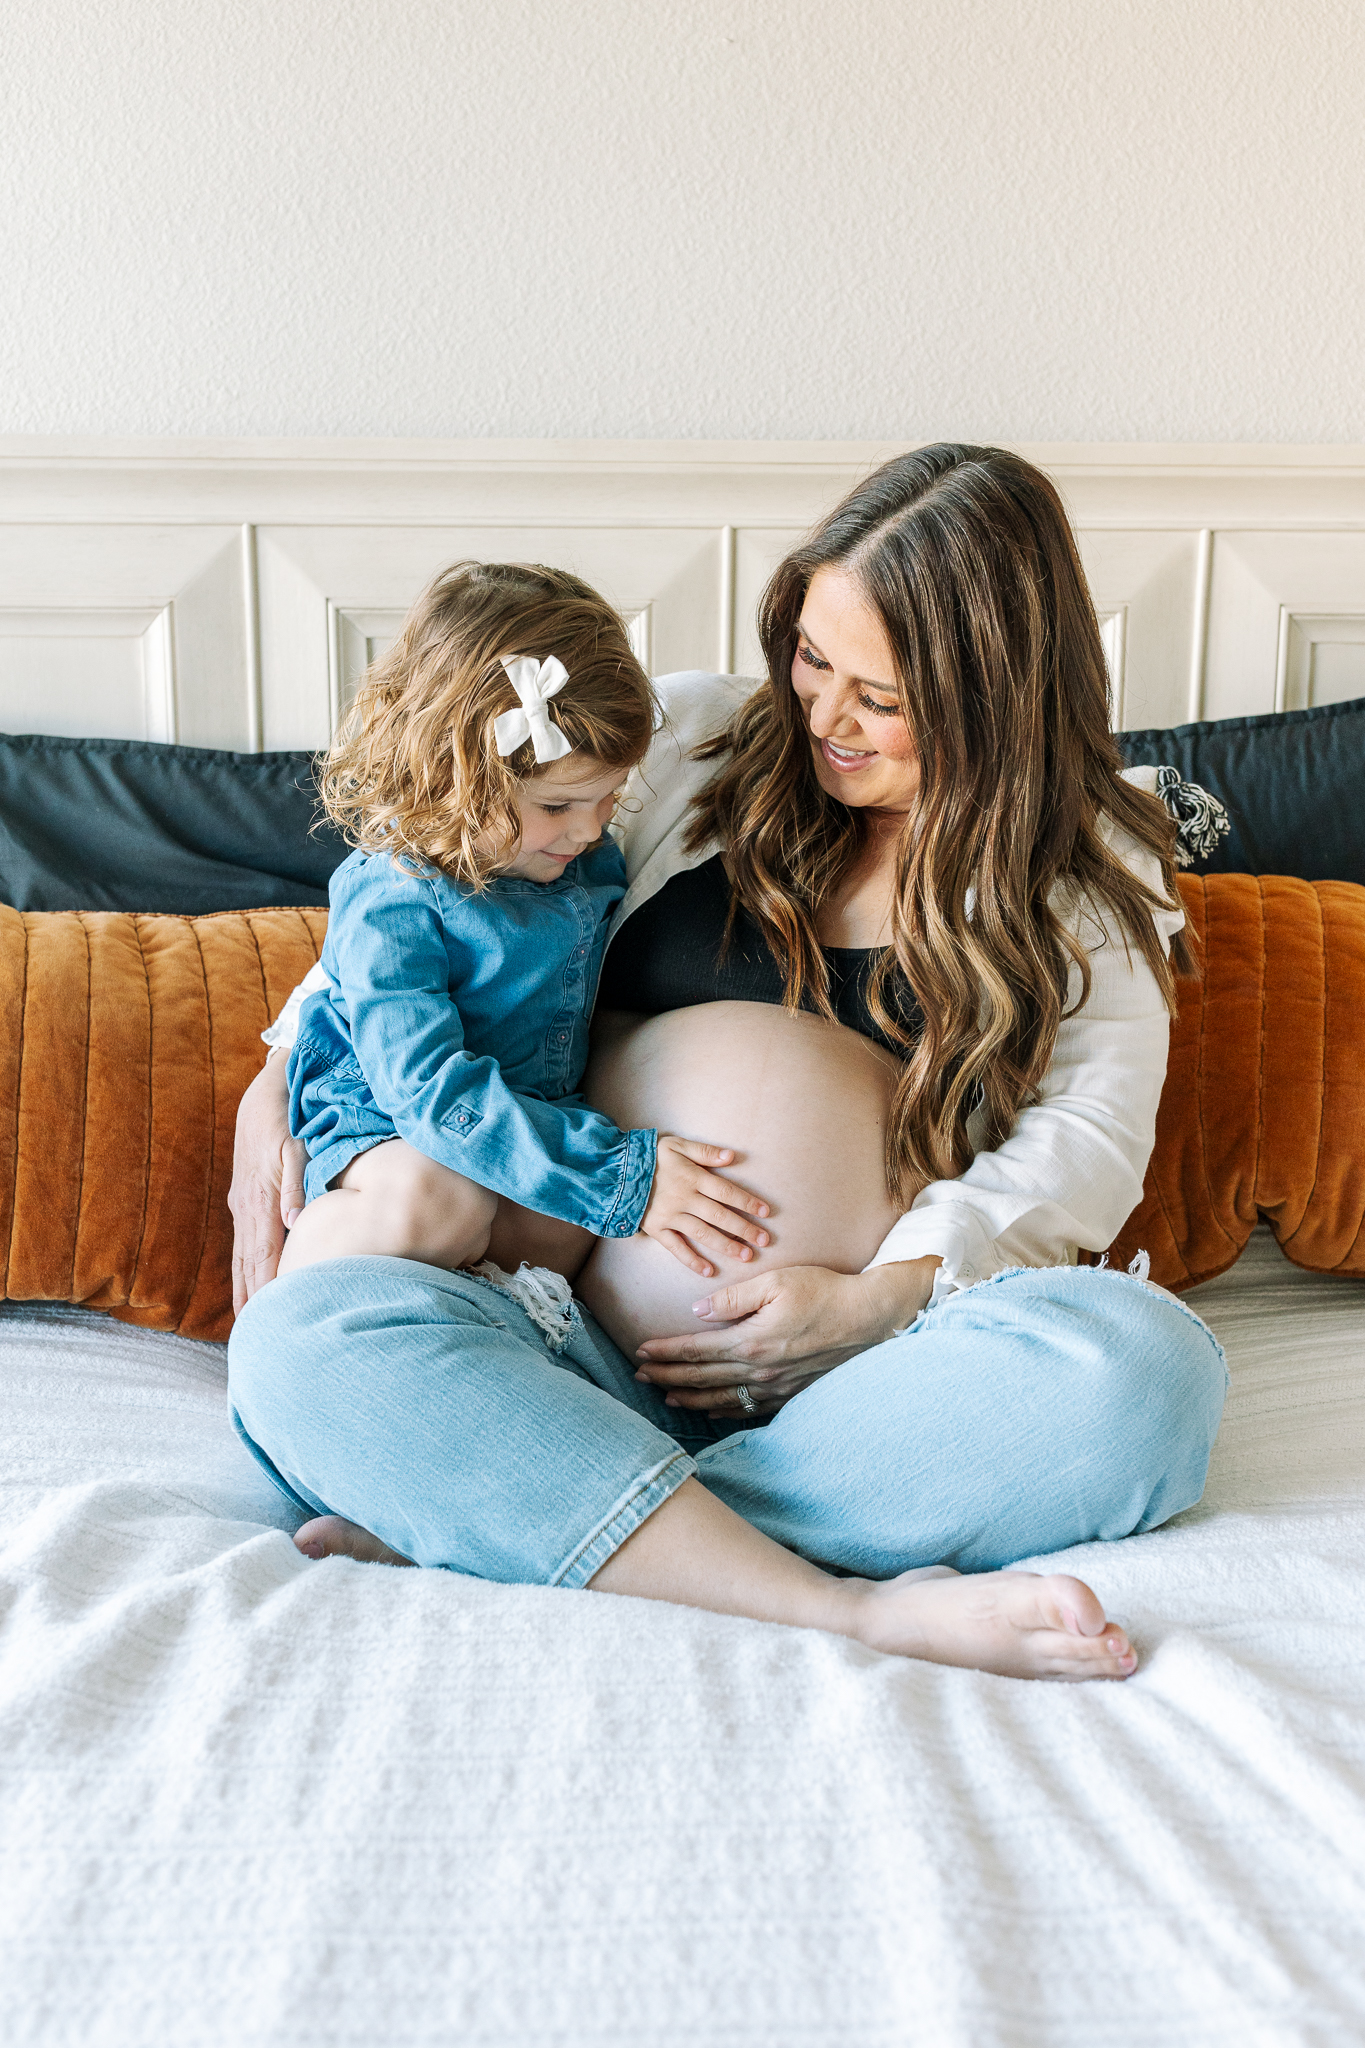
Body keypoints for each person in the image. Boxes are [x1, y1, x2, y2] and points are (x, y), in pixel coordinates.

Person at [228, 445, 1229, 1684]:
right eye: (813, 658)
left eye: (883, 695)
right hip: (554, 1337)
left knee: (1151, 1373)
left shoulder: (1088, 871)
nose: (825, 716)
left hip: (861, 1389)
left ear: (996, 696)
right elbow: (437, 886)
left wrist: (883, 1297)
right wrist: (277, 1075)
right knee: (301, 1344)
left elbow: (1089, 1137)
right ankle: (833, 1599)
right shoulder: (693, 741)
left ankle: (540, 1506)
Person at [274, 558, 771, 1287]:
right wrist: (614, 1175)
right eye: (558, 807)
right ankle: (295, 1325)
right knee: (435, 1201)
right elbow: (424, 1091)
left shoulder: (584, 860)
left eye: (608, 798)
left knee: (562, 1224)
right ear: (451, 776)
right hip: (390, 1121)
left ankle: (465, 1329)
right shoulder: (394, 896)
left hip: (519, 1110)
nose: (587, 830)